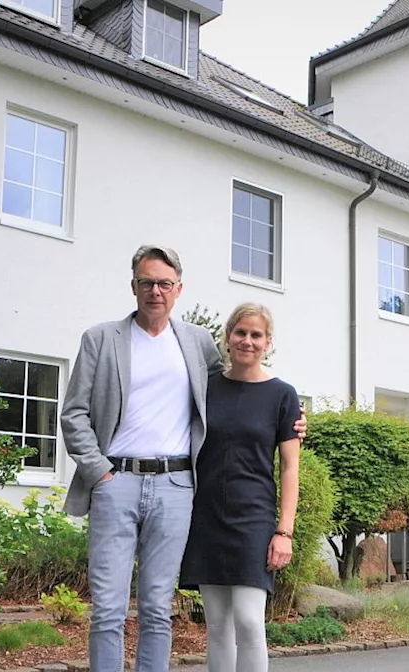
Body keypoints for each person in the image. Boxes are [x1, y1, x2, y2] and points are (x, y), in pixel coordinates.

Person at [59, 246, 303, 672]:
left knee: (157, 609)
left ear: (178, 289)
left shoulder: (196, 342)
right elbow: (73, 412)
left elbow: (236, 395)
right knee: (109, 609)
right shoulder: (101, 339)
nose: (156, 291)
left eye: (165, 283)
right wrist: (100, 472)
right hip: (117, 481)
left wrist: (293, 421)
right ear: (133, 286)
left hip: (176, 487)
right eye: (147, 282)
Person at [179, 302, 301, 672]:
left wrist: (285, 531)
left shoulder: (283, 395)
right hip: (207, 518)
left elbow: (290, 468)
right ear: (228, 337)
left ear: (268, 342)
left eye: (256, 335)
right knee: (217, 627)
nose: (247, 341)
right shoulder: (204, 388)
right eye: (241, 332)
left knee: (249, 622)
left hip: (254, 520)